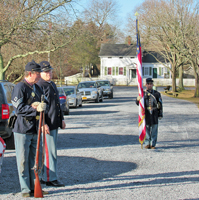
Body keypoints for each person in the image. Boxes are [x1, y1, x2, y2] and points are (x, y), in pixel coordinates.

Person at [11, 60, 48, 197]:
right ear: (31, 73)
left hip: (35, 128)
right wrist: (34, 109)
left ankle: (36, 186)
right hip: (22, 129)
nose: (40, 75)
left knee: (36, 159)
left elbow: (45, 104)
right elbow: (19, 108)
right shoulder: (20, 87)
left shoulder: (37, 87)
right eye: (38, 73)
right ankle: (25, 189)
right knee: (23, 160)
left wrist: (43, 107)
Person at [37, 61, 66, 187]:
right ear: (41, 73)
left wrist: (62, 119)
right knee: (50, 151)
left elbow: (57, 104)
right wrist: (43, 123)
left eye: (50, 71)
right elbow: (41, 108)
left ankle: (46, 175)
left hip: (55, 121)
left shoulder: (52, 84)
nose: (49, 73)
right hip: (47, 123)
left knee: (50, 150)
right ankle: (50, 178)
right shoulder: (40, 86)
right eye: (46, 71)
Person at [136, 78, 163, 149]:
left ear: (152, 84)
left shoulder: (157, 94)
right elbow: (139, 104)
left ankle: (153, 144)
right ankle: (147, 143)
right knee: (147, 129)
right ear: (146, 85)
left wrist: (160, 114)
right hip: (146, 113)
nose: (149, 85)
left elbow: (160, 104)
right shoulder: (143, 93)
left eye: (151, 84)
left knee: (154, 129)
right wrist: (137, 99)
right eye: (148, 84)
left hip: (154, 113)